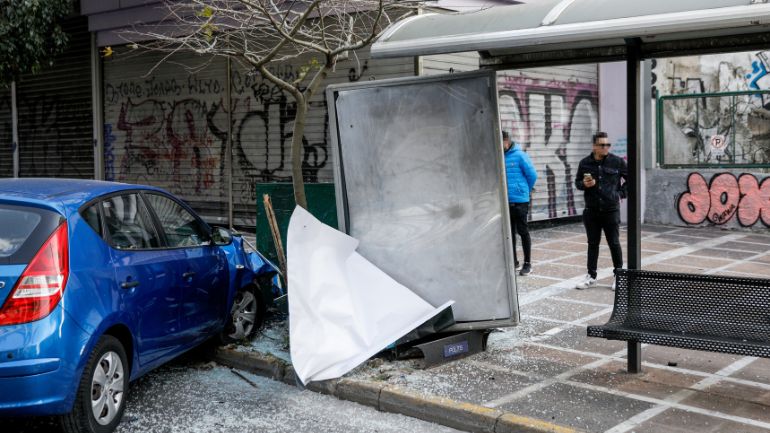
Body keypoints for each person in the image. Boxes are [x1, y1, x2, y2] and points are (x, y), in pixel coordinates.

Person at [574, 131, 627, 290]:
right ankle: (591, 276)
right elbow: (577, 182)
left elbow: (630, 181)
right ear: (594, 146)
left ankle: (619, 275)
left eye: (607, 144)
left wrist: (619, 194)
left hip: (611, 210)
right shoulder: (585, 163)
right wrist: (584, 184)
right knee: (592, 244)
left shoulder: (616, 162)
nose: (606, 147)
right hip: (591, 211)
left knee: (614, 243)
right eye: (602, 145)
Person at [503, 130, 537, 276]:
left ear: (507, 141)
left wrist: (524, 190)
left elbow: (532, 175)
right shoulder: (499, 156)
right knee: (509, 233)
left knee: (523, 232)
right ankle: (514, 262)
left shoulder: (520, 155)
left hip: (520, 201)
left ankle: (528, 263)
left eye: (501, 142)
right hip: (505, 201)